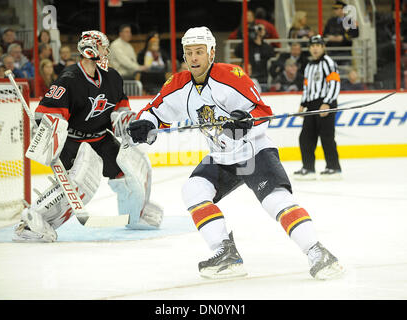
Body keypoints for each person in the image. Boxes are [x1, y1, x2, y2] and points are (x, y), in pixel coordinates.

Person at [127, 26, 344, 280]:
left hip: (252, 152)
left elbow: (263, 111)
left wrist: (246, 120)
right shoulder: (178, 84)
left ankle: (318, 252)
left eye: (199, 52)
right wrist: (145, 124)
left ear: (211, 53)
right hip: (221, 157)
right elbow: (154, 111)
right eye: (189, 53)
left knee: (276, 200)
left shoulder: (231, 76)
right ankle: (226, 254)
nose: (194, 58)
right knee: (193, 190)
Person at [12, 30, 163, 243]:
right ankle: (31, 221)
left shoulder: (112, 77)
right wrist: (48, 130)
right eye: (103, 48)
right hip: (73, 141)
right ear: (90, 50)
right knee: (82, 184)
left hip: (101, 138)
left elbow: (121, 108)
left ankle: (135, 214)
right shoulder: (69, 79)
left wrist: (127, 121)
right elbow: (45, 115)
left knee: (132, 170)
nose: (107, 52)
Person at [294, 35, 342, 181]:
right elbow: (306, 88)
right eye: (312, 46)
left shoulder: (329, 63)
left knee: (327, 137)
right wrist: (303, 104)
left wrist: (327, 103)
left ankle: (333, 168)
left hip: (326, 103)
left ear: (323, 47)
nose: (315, 48)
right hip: (312, 105)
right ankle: (308, 168)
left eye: (318, 45)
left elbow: (335, 84)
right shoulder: (309, 66)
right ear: (309, 48)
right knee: (305, 137)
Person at [234, 23, 275, 92]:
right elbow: (237, 52)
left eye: (260, 29)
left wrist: (259, 41)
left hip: (262, 80)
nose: (258, 32)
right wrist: (247, 36)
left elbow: (271, 53)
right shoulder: (247, 45)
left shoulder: (266, 47)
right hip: (248, 79)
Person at [323, 0, 359, 65]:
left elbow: (355, 34)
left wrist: (343, 38)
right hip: (332, 52)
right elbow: (325, 33)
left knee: (345, 72)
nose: (335, 10)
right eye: (334, 9)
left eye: (337, 9)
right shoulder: (330, 21)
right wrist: (330, 37)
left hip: (345, 51)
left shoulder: (351, 21)